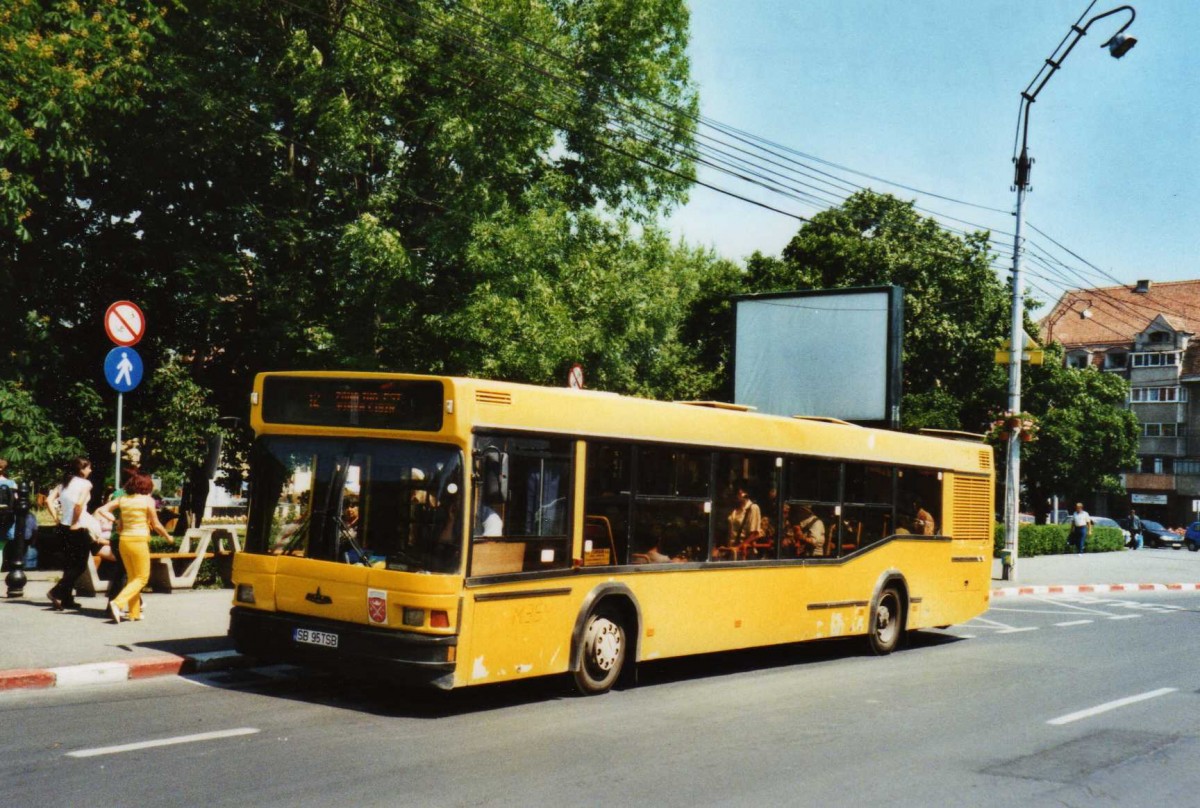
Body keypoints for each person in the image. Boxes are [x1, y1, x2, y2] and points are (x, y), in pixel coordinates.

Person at [94, 471, 174, 623]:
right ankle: (117, 603)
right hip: (138, 540)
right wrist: (168, 536)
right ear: (146, 486)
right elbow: (156, 524)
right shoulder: (147, 501)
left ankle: (134, 613)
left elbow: (102, 509)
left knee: (132, 577)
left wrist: (115, 520)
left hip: (124, 540)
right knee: (142, 577)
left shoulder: (123, 499)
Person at [47, 457, 95, 610]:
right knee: (80, 565)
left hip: (63, 525)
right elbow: (79, 505)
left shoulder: (63, 484)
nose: (90, 470)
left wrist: (56, 518)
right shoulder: (86, 484)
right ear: (81, 469)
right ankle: (56, 592)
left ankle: (67, 599)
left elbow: (48, 500)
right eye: (88, 468)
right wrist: (75, 522)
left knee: (69, 564)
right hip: (78, 526)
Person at [723, 481, 762, 559]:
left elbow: (754, 533)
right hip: (732, 551)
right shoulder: (734, 509)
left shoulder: (753, 508)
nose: (738, 495)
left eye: (740, 492)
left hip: (745, 553)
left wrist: (738, 547)